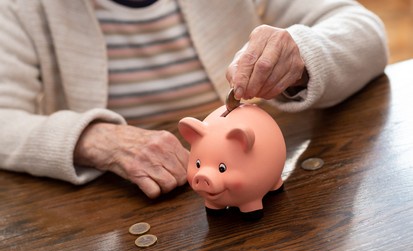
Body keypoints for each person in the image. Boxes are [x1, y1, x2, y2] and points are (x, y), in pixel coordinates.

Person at [0, 0, 388, 199]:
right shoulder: (20, 8)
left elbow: (364, 31)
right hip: (121, 203)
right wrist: (91, 139)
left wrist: (301, 55)